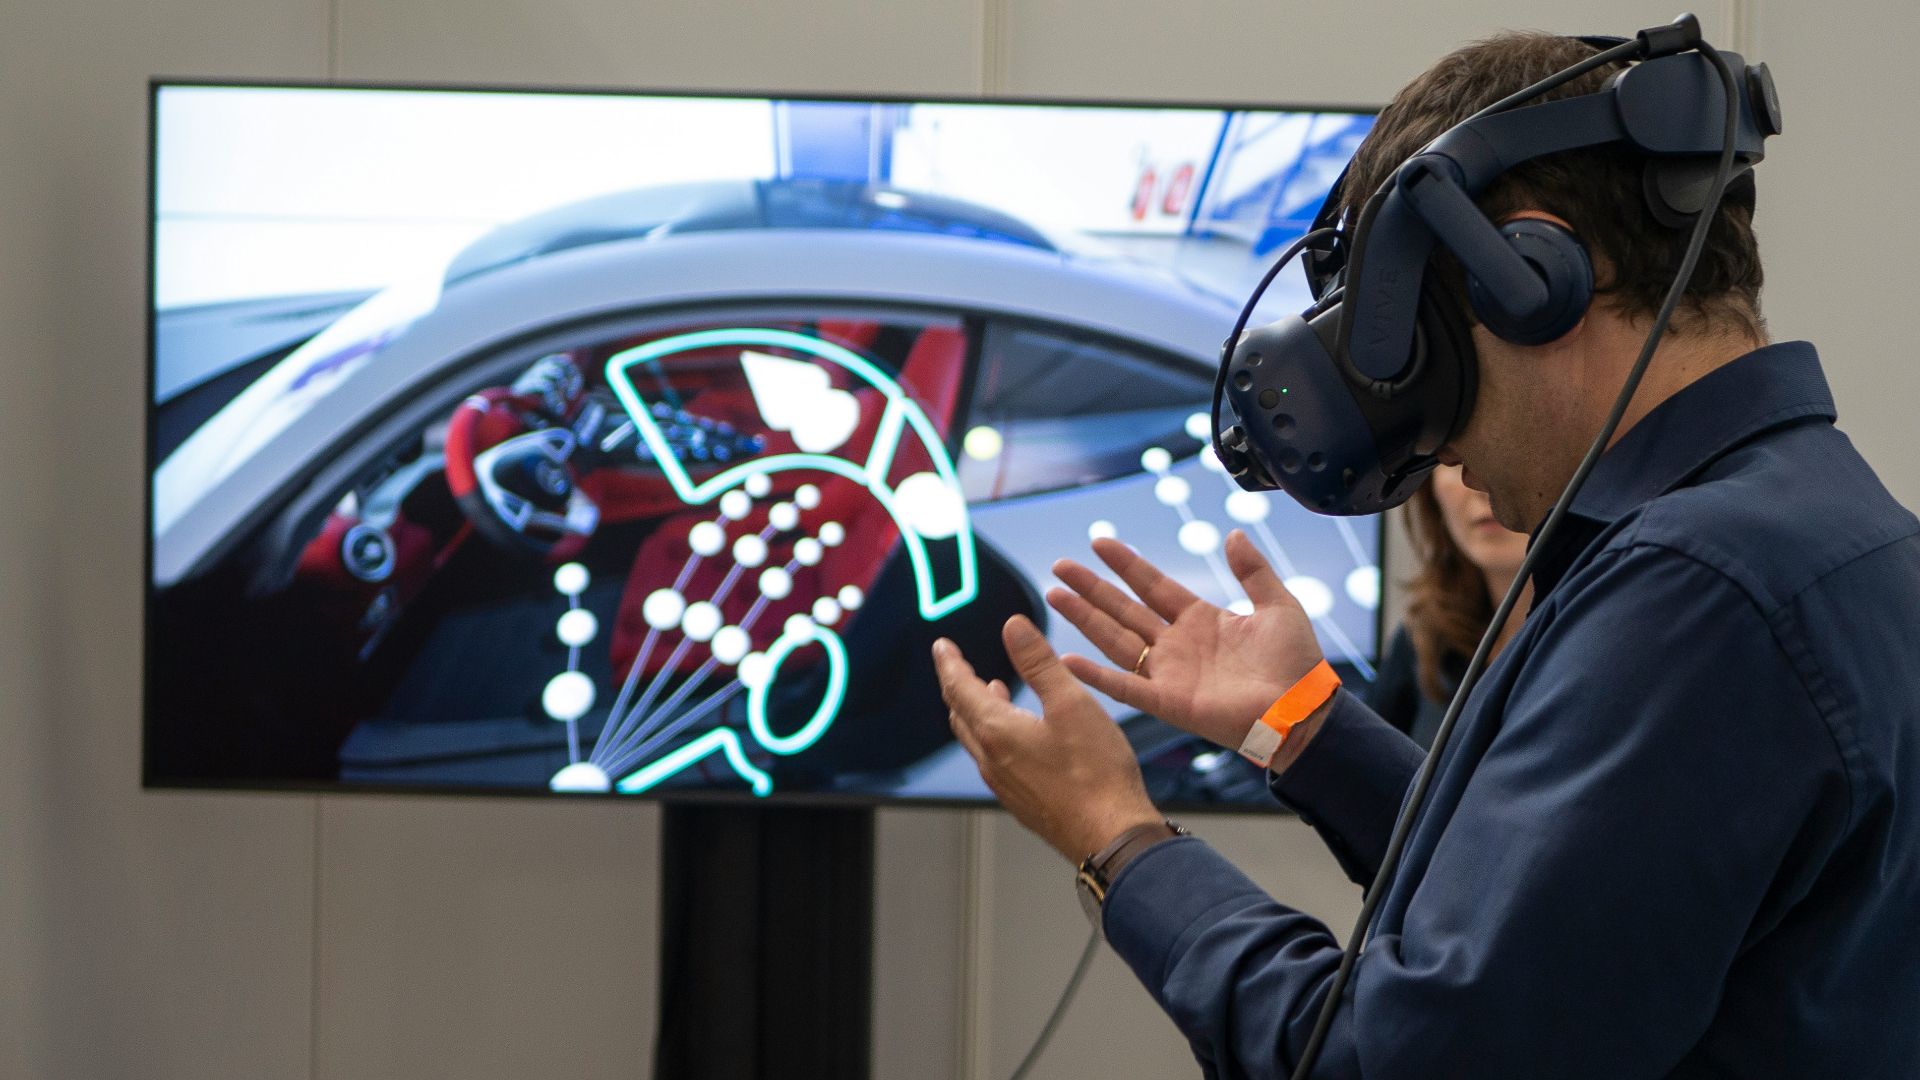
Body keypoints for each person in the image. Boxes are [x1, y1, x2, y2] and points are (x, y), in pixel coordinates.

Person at [933, 30, 1920, 1079]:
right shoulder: (1819, 528)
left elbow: (1394, 1060)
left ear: (1530, 277)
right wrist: (1304, 728)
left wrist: (1117, 836)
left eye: (1424, 351)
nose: (1433, 438)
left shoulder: (1702, 590)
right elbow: (1551, 935)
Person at [1369, 465, 1529, 747]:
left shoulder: (1607, 637)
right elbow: (1365, 777)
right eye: (1457, 462)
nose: (1482, 487)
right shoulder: (1425, 636)